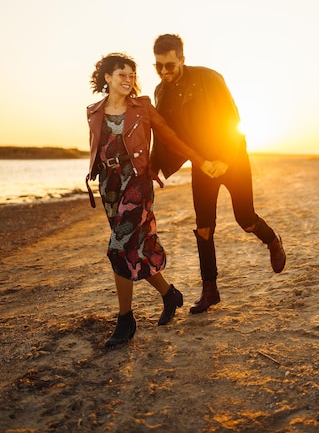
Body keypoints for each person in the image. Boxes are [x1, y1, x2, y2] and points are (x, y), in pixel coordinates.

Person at [150, 34, 286, 314]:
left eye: (170, 65)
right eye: (159, 66)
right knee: (203, 228)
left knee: (245, 220)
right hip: (201, 165)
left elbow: (232, 119)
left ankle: (272, 240)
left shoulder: (210, 78)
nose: (164, 72)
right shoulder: (160, 92)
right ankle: (209, 290)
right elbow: (165, 135)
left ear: (182, 60)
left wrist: (225, 158)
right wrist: (153, 168)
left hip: (232, 158)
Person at [86, 52, 215, 347]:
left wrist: (201, 160)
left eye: (132, 75)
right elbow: (99, 148)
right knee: (136, 248)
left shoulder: (142, 106)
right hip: (109, 185)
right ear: (107, 77)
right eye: (122, 74)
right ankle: (170, 295)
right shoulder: (93, 111)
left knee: (119, 247)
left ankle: (125, 321)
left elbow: (170, 136)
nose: (128, 79)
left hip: (137, 182)